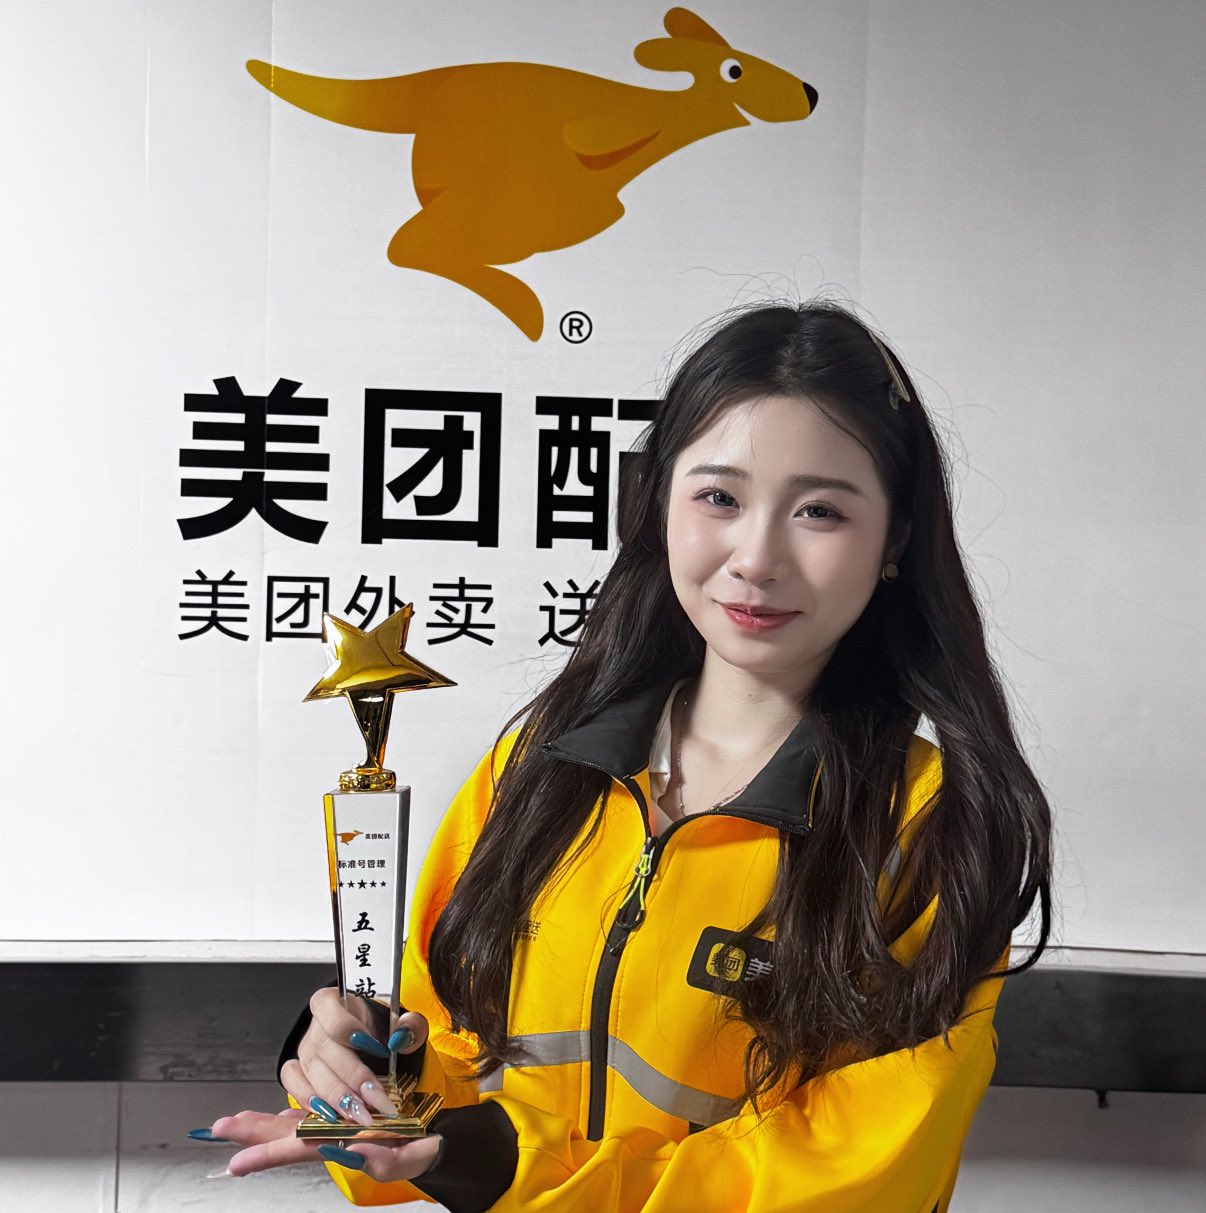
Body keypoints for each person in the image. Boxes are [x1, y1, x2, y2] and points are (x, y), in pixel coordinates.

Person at [203, 301, 1053, 1211]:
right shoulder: (540, 767)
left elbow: (854, 1178)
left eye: (819, 510)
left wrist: (507, 1168)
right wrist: (369, 1075)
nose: (756, 557)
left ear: (896, 537)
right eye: (719, 497)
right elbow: (449, 1049)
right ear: (658, 505)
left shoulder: (928, 830)